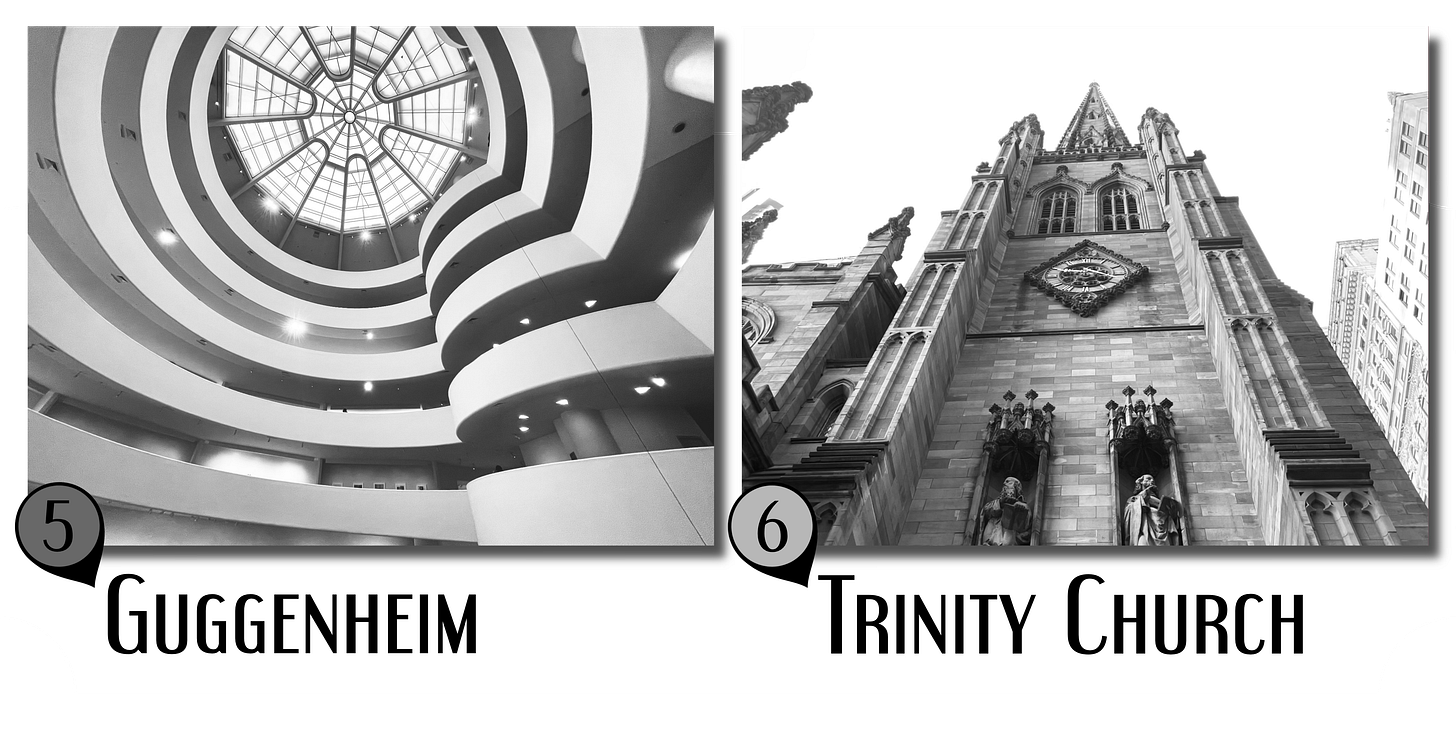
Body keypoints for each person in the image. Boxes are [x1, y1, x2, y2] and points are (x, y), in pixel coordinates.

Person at [1123, 474, 1182, 546]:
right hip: (1145, 530)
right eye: (1148, 479)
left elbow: (1173, 521)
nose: (1151, 481)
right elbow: (1128, 515)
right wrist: (1143, 498)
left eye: (1153, 481)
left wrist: (1172, 511)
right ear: (1140, 483)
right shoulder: (1134, 499)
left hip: (1164, 531)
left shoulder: (1161, 501)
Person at [980, 476, 1031, 546]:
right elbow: (986, 511)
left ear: (1016, 486)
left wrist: (1021, 508)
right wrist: (1001, 504)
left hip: (1010, 535)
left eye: (1008, 482)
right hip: (993, 530)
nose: (1004, 484)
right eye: (1004, 482)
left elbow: (1027, 526)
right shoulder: (997, 501)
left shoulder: (1023, 505)